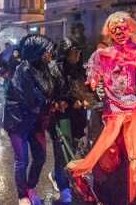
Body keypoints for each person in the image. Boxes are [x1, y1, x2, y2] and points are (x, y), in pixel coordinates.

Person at [67, 12, 136, 204]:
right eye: (114, 28)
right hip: (113, 113)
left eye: (122, 27)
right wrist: (93, 81)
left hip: (135, 110)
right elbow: (92, 81)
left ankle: (135, 198)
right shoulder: (102, 55)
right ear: (108, 32)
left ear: (130, 28)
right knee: (105, 156)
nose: (118, 31)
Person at [4, 34, 55, 205]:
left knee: (40, 157)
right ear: (38, 52)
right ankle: (22, 195)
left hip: (35, 121)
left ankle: (30, 187)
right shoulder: (23, 70)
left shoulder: (45, 68)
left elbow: (51, 90)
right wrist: (47, 100)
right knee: (22, 160)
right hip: (18, 122)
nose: (50, 55)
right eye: (47, 51)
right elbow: (31, 97)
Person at [47, 37, 91, 204]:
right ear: (65, 54)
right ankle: (63, 186)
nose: (77, 56)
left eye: (78, 53)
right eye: (74, 53)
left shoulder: (79, 69)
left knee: (74, 148)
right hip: (61, 117)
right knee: (62, 150)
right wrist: (71, 101)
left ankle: (61, 177)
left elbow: (83, 88)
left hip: (77, 116)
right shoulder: (55, 70)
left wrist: (86, 99)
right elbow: (54, 92)